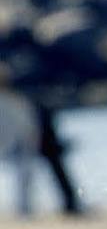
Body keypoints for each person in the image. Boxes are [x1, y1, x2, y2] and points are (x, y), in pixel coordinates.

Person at [0, 85, 83, 215]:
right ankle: (26, 208)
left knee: (28, 175)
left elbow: (26, 124)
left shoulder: (16, 99)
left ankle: (26, 208)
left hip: (30, 143)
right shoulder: (15, 99)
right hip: (27, 143)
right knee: (30, 175)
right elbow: (24, 124)